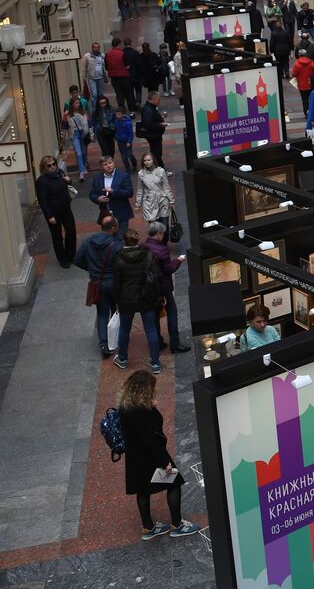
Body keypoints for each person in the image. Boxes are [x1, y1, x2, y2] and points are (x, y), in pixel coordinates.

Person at [115, 369, 199, 540]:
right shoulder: (139, 410)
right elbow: (149, 437)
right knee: (174, 482)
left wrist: (150, 407)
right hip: (150, 456)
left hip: (134, 458)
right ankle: (177, 525)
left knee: (142, 490)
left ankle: (148, 528)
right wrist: (164, 461)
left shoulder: (125, 406)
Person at [112, 229, 161, 371]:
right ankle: (156, 363)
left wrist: (116, 300)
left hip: (126, 299)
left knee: (124, 329)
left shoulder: (118, 258)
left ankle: (122, 359)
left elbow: (116, 283)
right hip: (146, 297)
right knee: (151, 330)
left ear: (124, 242)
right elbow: (156, 277)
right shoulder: (148, 256)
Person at [76, 215, 122, 358]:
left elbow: (77, 260)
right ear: (113, 228)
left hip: (98, 283)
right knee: (118, 311)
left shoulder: (89, 242)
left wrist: (92, 269)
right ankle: (118, 339)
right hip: (114, 283)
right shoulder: (117, 245)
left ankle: (104, 344)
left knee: (102, 313)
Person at [142, 221, 188, 353]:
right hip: (164, 287)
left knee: (155, 314)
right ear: (158, 234)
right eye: (162, 233)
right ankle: (175, 343)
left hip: (150, 287)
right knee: (172, 312)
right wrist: (178, 260)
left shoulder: (143, 246)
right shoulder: (162, 250)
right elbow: (169, 269)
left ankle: (158, 341)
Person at [35, 155, 77, 268]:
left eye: (54, 164)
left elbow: (68, 184)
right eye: (49, 165)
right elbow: (42, 201)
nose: (53, 167)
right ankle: (63, 259)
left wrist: (69, 180)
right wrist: (49, 216)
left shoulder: (60, 173)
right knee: (57, 237)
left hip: (66, 209)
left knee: (71, 231)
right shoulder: (41, 181)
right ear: (44, 168)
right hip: (53, 213)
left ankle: (70, 255)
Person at [90, 155, 134, 236]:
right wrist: (98, 199)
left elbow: (129, 192)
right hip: (106, 214)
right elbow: (92, 194)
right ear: (101, 166)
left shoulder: (123, 176)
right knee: (109, 238)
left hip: (121, 213)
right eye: (105, 164)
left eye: (110, 163)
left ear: (114, 163)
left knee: (121, 237)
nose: (108, 166)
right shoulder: (97, 178)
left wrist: (114, 191)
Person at [134, 152, 174, 228]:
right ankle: (157, 240)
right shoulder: (141, 173)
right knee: (154, 228)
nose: (147, 162)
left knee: (164, 225)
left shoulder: (161, 171)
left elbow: (166, 187)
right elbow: (140, 190)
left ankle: (164, 239)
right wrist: (137, 204)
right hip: (149, 203)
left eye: (149, 160)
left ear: (153, 160)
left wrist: (171, 200)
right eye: (145, 160)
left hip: (162, 200)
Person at [139, 92, 167, 170]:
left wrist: (161, 117)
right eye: (158, 99)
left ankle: (160, 169)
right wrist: (160, 124)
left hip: (154, 134)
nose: (159, 101)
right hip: (153, 135)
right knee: (156, 153)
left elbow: (152, 119)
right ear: (154, 99)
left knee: (157, 152)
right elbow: (148, 124)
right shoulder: (149, 109)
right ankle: (159, 169)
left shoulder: (150, 107)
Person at [106, 37, 135, 112]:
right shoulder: (122, 54)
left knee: (119, 96)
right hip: (124, 77)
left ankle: (122, 112)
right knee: (128, 95)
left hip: (114, 79)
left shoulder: (107, 54)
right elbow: (127, 66)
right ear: (119, 44)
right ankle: (131, 111)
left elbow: (106, 67)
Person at [65, 98, 90, 180]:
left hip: (83, 133)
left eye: (79, 103)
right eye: (76, 103)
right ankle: (81, 172)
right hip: (74, 134)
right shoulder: (68, 114)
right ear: (72, 104)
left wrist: (88, 133)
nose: (78, 104)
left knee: (83, 152)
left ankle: (84, 165)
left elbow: (87, 123)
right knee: (78, 153)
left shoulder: (83, 112)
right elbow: (65, 125)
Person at [290, 48, 314, 114]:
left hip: (301, 85)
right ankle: (312, 112)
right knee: (311, 98)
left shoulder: (297, 64)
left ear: (299, 55)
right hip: (311, 83)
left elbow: (294, 74)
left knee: (304, 99)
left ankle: (306, 113)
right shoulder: (311, 62)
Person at [92, 94, 118, 161]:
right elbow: (92, 123)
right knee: (105, 150)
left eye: (105, 103)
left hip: (110, 130)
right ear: (98, 104)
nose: (103, 104)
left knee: (111, 149)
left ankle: (110, 161)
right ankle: (107, 163)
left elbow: (116, 120)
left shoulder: (112, 109)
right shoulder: (95, 112)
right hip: (101, 132)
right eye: (101, 103)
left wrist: (116, 131)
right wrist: (92, 135)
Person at [82, 41, 106, 107]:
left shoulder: (102, 56)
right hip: (91, 78)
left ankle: (100, 108)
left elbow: (104, 67)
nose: (96, 49)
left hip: (100, 78)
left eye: (98, 47)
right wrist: (84, 79)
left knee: (100, 95)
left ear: (99, 48)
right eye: (94, 47)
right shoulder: (87, 56)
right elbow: (84, 68)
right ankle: (95, 109)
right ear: (92, 48)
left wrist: (105, 76)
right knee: (94, 95)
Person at [115, 108, 138, 174]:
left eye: (119, 114)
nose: (117, 116)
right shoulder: (116, 121)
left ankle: (134, 163)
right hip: (120, 141)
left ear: (123, 114)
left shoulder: (128, 123)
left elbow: (130, 133)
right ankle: (127, 167)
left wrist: (129, 141)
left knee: (129, 154)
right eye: (116, 114)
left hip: (127, 141)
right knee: (123, 156)